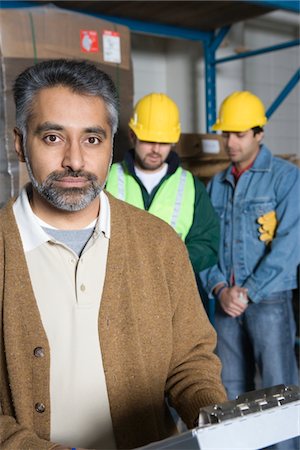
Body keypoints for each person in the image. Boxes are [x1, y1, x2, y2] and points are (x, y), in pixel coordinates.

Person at [0, 59, 226, 450]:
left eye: (92, 139)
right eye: (53, 137)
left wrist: (213, 418)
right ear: (20, 142)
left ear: (112, 143)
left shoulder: (160, 243)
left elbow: (190, 361)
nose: (74, 160)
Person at [200, 91, 299, 448]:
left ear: (260, 134)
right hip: (226, 303)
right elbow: (206, 243)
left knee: (279, 393)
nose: (230, 142)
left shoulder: (286, 178)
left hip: (267, 300)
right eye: (226, 134)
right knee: (231, 394)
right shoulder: (216, 185)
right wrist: (219, 289)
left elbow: (290, 244)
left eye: (239, 134)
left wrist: (249, 291)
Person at [105, 93, 220, 277]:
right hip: (118, 284)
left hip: (170, 289)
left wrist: (168, 265)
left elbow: (207, 244)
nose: (156, 150)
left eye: (164, 142)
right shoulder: (107, 178)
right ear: (133, 136)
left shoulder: (191, 186)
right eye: (149, 140)